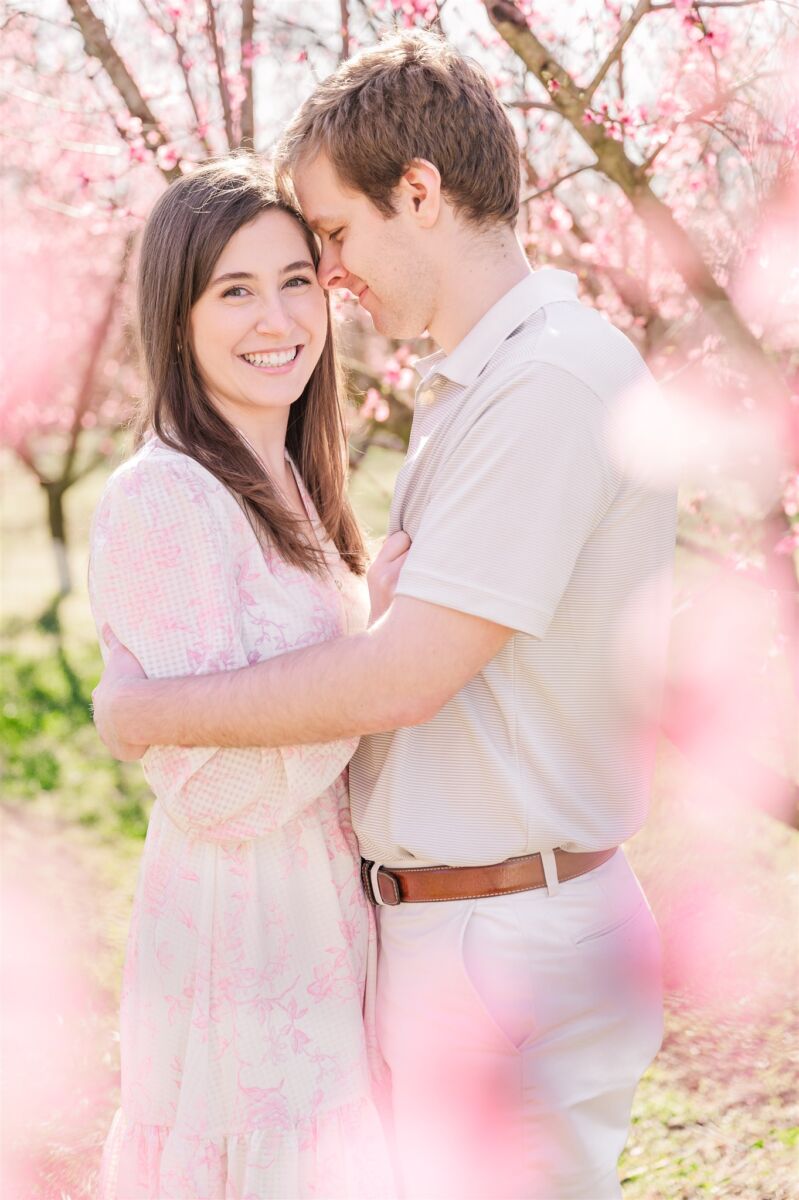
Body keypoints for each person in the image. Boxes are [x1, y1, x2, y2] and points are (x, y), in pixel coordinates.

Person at [93, 32, 677, 1200]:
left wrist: (144, 708)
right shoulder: (476, 387)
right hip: (399, 934)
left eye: (329, 247)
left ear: (418, 191)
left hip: (506, 925)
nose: (330, 284)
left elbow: (405, 674)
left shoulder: (544, 384)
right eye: (244, 285)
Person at [88, 156, 398, 1200]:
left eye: (296, 279)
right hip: (240, 946)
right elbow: (215, 791)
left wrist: (377, 656)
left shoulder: (296, 484)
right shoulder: (162, 498)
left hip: (323, 925)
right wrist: (386, 670)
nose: (278, 317)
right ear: (177, 318)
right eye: (234, 289)